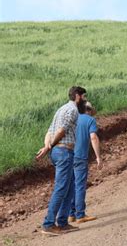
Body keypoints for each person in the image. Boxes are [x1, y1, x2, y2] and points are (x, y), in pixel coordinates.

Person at [36, 86, 87, 236]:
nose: (85, 100)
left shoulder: (61, 109)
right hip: (64, 152)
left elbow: (49, 131)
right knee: (61, 188)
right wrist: (49, 146)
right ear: (77, 96)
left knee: (70, 187)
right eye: (84, 96)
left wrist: (47, 146)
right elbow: (60, 131)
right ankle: (48, 224)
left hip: (59, 151)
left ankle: (63, 223)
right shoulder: (72, 110)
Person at [68, 101, 102, 224]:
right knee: (80, 186)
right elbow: (93, 137)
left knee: (71, 185)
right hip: (80, 157)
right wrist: (98, 157)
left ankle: (71, 214)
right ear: (89, 110)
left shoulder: (73, 119)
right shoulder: (90, 120)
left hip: (69, 155)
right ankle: (80, 214)